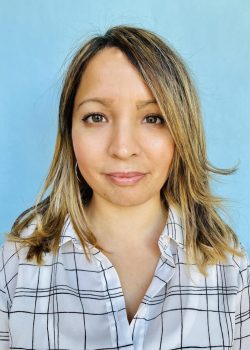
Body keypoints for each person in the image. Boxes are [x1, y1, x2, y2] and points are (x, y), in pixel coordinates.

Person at [0, 25, 249, 350]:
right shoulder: (17, 264)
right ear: (69, 131)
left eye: (153, 118)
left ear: (182, 131)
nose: (122, 148)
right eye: (96, 117)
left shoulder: (229, 268)